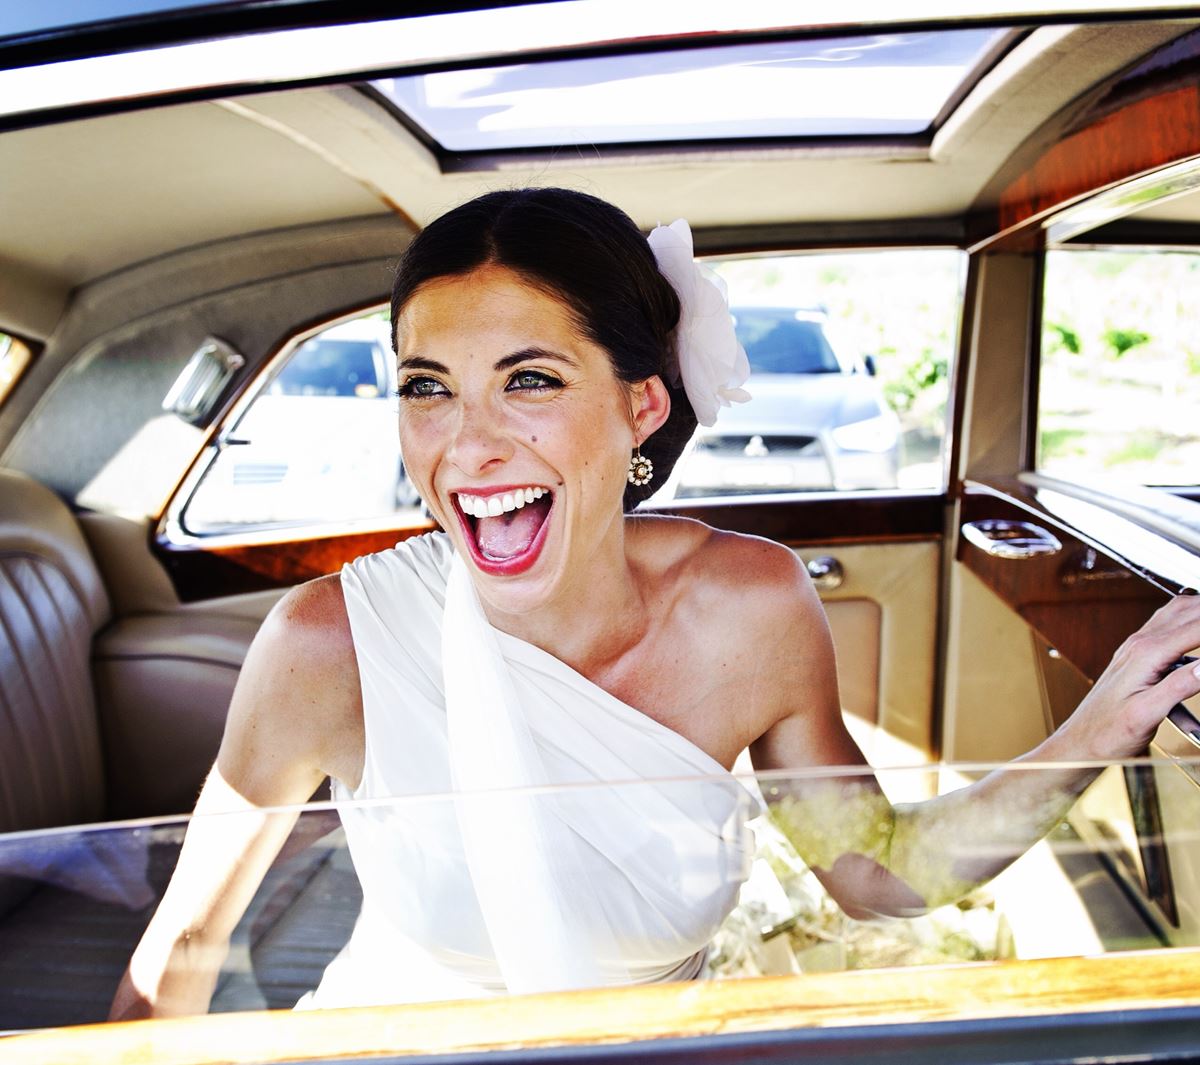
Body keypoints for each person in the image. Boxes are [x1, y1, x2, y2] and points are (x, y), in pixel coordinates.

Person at [110, 188, 1200, 1019]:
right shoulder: (326, 643)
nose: (469, 442)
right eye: (426, 386)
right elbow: (182, 950)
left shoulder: (752, 606)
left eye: (529, 380)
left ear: (641, 406)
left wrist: (1101, 723)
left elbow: (875, 875)